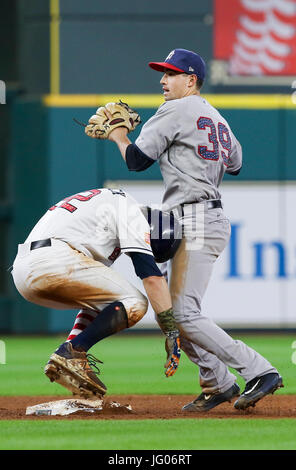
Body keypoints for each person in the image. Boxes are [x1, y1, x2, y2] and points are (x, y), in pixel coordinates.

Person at [91, 48, 283, 411]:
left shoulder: (177, 109)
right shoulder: (216, 116)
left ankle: (260, 370)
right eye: (162, 73)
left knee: (182, 313)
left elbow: (136, 161)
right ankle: (217, 382)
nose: (163, 80)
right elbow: (237, 163)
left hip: (194, 218)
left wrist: (118, 134)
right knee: (172, 311)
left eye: (171, 74)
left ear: (191, 79)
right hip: (200, 216)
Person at [11, 187, 182, 398]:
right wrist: (172, 332)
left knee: (104, 301)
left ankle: (69, 355)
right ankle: (72, 352)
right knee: (136, 302)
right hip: (53, 259)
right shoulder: (131, 212)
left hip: (23, 271)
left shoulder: (106, 208)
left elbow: (97, 304)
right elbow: (152, 278)